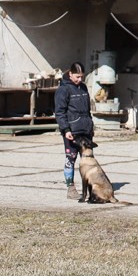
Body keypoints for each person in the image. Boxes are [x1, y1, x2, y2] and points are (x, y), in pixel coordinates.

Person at [54, 61, 95, 200]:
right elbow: (60, 112)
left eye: (82, 76)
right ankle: (70, 188)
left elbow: (87, 109)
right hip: (72, 131)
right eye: (77, 76)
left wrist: (90, 126)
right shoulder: (63, 89)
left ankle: (90, 188)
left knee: (88, 159)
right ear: (70, 74)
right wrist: (66, 129)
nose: (80, 79)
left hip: (86, 130)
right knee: (70, 158)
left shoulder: (83, 87)